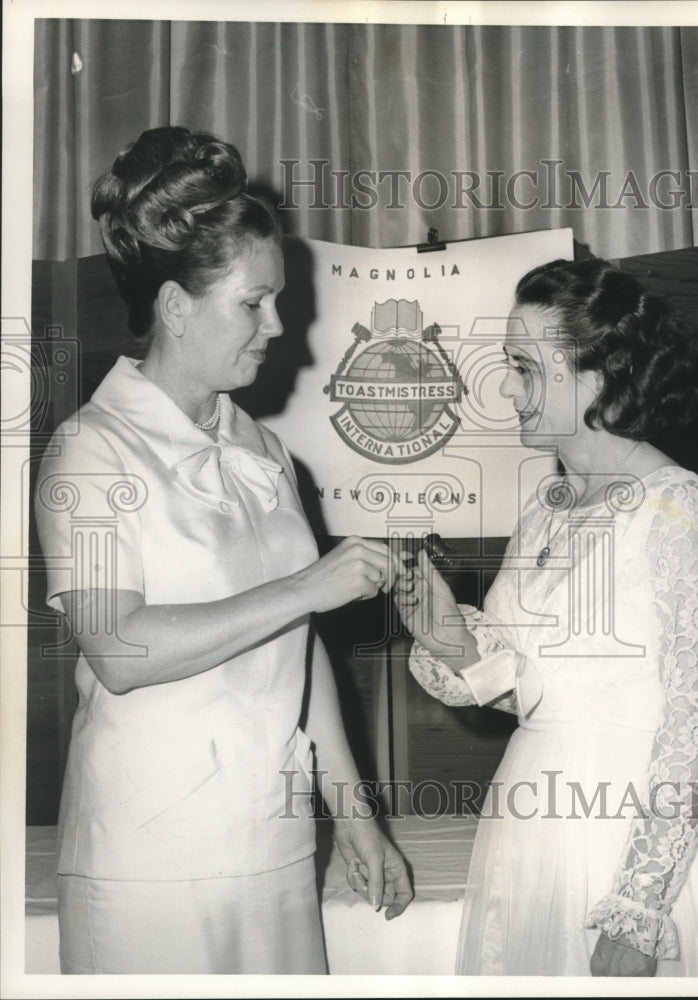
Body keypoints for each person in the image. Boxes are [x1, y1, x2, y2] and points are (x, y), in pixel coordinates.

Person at [34, 125, 412, 975]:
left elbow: (296, 646)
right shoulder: (89, 449)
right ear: (174, 305)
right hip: (150, 860)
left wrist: (353, 813)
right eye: (254, 302)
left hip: (272, 843)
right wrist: (306, 587)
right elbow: (119, 649)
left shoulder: (266, 452)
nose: (277, 324)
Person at [393, 258, 698, 976]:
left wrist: (640, 907)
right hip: (530, 829)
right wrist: (447, 635)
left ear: (596, 376)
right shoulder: (545, 508)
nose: (507, 388)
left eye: (525, 367)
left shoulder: (679, 509)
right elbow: (523, 688)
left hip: (630, 842)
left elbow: (694, 729)